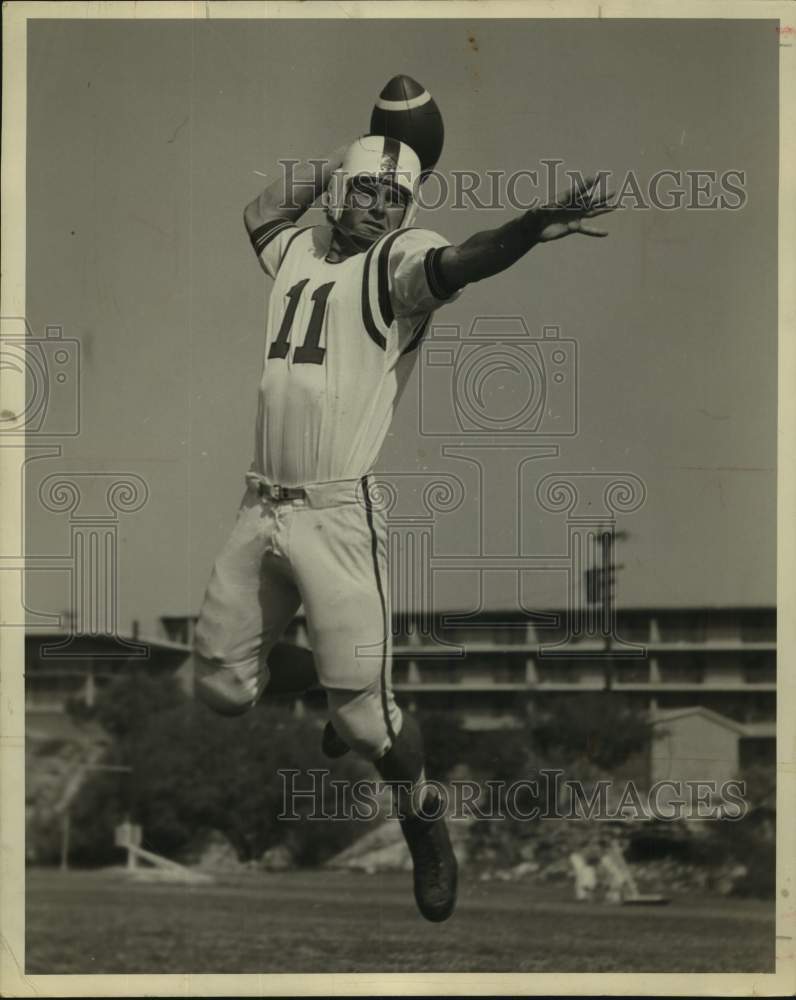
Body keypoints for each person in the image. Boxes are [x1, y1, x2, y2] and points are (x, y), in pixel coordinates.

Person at [193, 133, 616, 922]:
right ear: (337, 193)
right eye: (365, 191)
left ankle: (423, 819)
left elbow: (468, 260)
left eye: (394, 196)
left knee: (365, 723)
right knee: (219, 685)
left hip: (337, 516)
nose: (380, 206)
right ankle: (333, 672)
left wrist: (524, 229)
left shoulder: (397, 267)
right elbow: (258, 211)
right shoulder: (299, 253)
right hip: (260, 505)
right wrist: (353, 145)